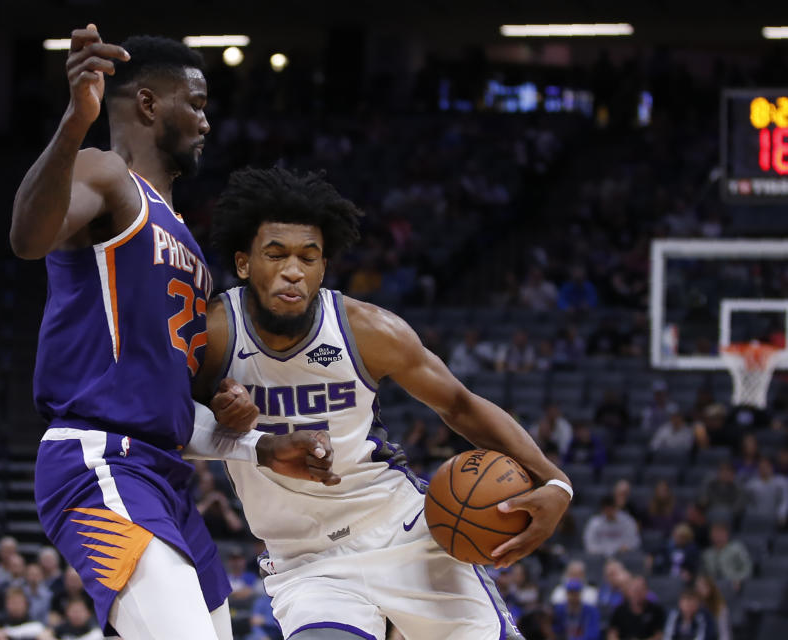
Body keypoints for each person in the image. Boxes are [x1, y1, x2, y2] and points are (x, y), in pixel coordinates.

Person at [10, 25, 339, 640]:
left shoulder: (184, 236)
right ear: (148, 103)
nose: (206, 122)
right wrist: (75, 123)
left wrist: (257, 443)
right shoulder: (104, 173)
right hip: (98, 461)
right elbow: (28, 239)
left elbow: (165, 407)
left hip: (163, 475)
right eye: (197, 103)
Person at [196, 166, 573, 639]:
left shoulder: (369, 331)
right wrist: (219, 413)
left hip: (402, 533)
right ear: (245, 262)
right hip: (308, 561)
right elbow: (165, 425)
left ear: (323, 266)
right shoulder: (213, 335)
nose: (293, 270)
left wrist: (556, 483)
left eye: (308, 257)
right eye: (276, 254)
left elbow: (460, 405)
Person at [699, 522, 751, 591]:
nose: (717, 536)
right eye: (715, 533)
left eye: (720, 533)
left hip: (733, 585)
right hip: (712, 588)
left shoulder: (737, 549)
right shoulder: (707, 553)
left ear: (726, 534)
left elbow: (747, 568)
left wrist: (739, 579)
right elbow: (702, 573)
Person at [692, 576, 730, 640]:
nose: (700, 589)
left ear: (711, 587)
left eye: (704, 586)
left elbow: (724, 631)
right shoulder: (694, 605)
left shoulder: (719, 606)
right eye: (698, 587)